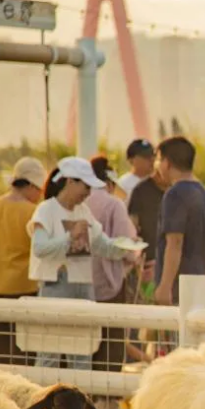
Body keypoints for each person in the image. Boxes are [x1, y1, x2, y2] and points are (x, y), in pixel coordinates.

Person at [28, 158, 138, 370]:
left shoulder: (83, 211)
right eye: (86, 186)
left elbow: (102, 245)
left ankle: (80, 399)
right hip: (56, 285)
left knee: (82, 352)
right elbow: (39, 248)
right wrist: (70, 238)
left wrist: (124, 247)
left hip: (84, 286)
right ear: (70, 182)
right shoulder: (46, 210)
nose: (88, 193)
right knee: (50, 351)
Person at [0, 157, 46, 364]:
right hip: (23, 288)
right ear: (29, 185)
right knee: (22, 355)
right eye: (38, 188)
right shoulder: (32, 212)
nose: (39, 194)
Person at [86, 156, 144, 371]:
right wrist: (136, 251)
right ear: (109, 182)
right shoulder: (114, 204)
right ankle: (106, 394)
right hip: (109, 282)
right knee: (111, 340)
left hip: (81, 282)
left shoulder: (78, 202)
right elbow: (126, 246)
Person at [154, 136, 205, 309]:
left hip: (181, 290)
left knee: (177, 336)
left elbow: (175, 242)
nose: (158, 166)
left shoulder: (175, 194)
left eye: (159, 160)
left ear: (167, 163)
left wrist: (165, 286)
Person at [127, 152, 168, 303]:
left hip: (170, 264)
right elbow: (132, 228)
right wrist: (137, 261)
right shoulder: (141, 190)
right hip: (146, 265)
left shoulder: (177, 190)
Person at [118, 139, 156, 203]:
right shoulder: (123, 185)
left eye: (153, 156)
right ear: (131, 160)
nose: (151, 159)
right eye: (146, 156)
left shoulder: (159, 182)